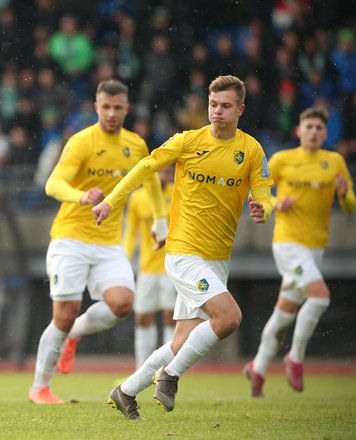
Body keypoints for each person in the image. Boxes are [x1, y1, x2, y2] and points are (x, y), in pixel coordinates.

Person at [93, 75, 273, 419]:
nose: (217, 112)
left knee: (180, 343)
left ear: (240, 109)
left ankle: (126, 391)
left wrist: (263, 206)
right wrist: (112, 202)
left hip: (218, 257)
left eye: (225, 106)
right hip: (183, 252)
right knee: (230, 317)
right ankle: (170, 377)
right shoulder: (187, 141)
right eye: (213, 105)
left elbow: (264, 191)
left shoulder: (251, 150)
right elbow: (144, 168)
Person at [29, 80, 168, 404]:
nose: (111, 113)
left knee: (122, 303)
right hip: (70, 238)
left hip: (108, 243)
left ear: (127, 109)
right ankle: (40, 387)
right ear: (96, 107)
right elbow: (53, 184)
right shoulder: (81, 142)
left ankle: (74, 334)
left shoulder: (135, 145)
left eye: (117, 108)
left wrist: (160, 221)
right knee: (63, 315)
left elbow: (150, 181)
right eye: (105, 107)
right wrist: (81, 196)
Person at [244, 107, 355, 397]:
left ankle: (258, 366)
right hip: (288, 243)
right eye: (309, 127)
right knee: (321, 298)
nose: (314, 132)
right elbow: (258, 191)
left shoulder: (334, 162)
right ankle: (295, 357)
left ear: (326, 133)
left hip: (315, 247)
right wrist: (277, 202)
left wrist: (344, 194)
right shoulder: (282, 159)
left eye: (319, 128)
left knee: (284, 314)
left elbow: (351, 207)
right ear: (299, 131)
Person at [123, 165, 176, 368]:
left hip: (171, 266)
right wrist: (124, 260)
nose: (163, 176)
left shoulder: (177, 194)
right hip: (147, 267)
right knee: (143, 317)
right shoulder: (137, 198)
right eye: (160, 172)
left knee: (170, 317)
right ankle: (141, 368)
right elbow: (130, 233)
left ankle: (167, 370)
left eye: (167, 173)